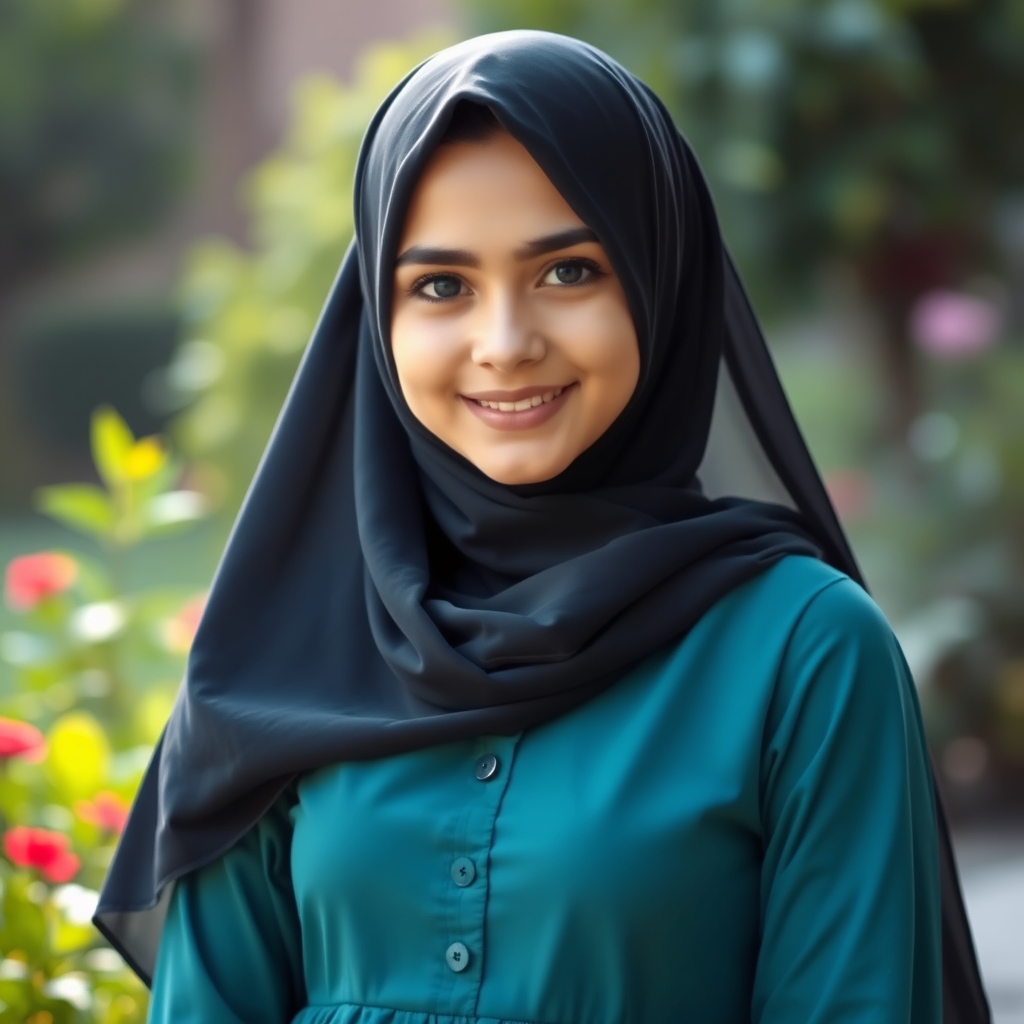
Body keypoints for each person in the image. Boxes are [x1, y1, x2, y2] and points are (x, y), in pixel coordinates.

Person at [95, 30, 990, 1024]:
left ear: (660, 283)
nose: (505, 344)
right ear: (374, 324)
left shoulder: (802, 651)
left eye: (568, 272)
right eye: (440, 286)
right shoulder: (282, 644)